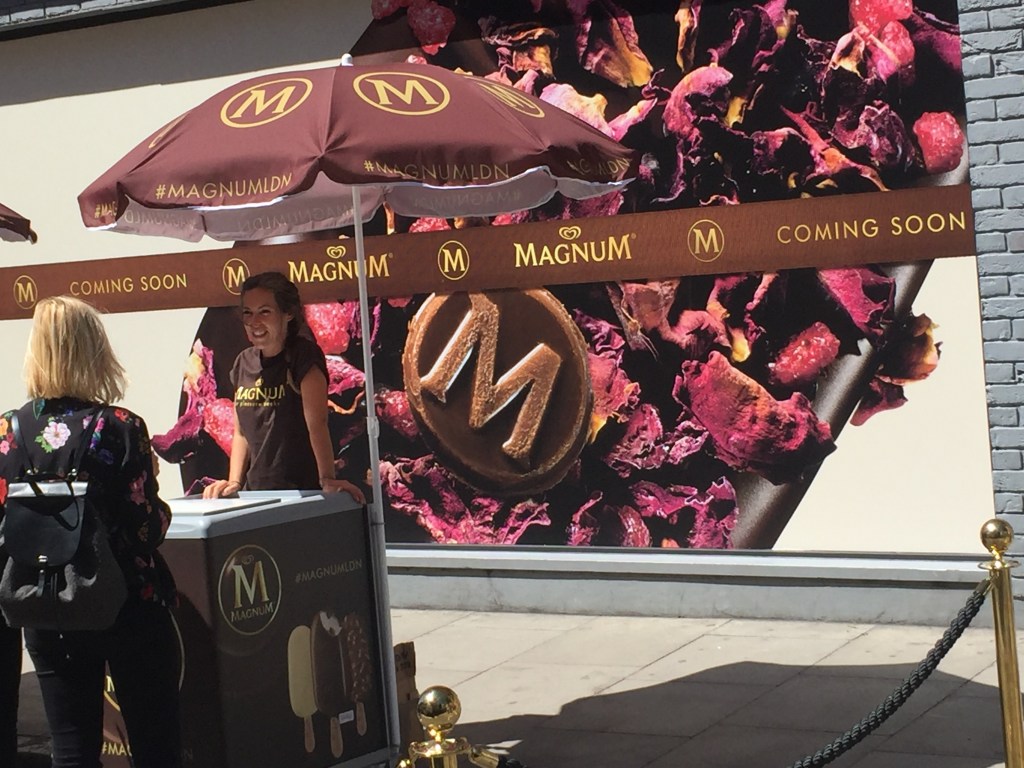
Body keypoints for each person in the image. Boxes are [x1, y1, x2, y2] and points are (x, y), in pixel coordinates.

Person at [0, 296, 180, 768]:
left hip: (46, 605)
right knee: (155, 742)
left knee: (71, 747)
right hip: (126, 604)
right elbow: (145, 529)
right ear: (94, 350)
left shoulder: (8, 432)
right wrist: (162, 514)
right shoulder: (119, 428)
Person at [203, 271, 366, 502]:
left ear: (288, 313)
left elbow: (317, 424)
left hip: (301, 494)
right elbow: (241, 433)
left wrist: (326, 479)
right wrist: (234, 482)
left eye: (265, 312)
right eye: (247, 313)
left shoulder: (303, 356)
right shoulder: (243, 361)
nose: (254, 322)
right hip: (254, 495)